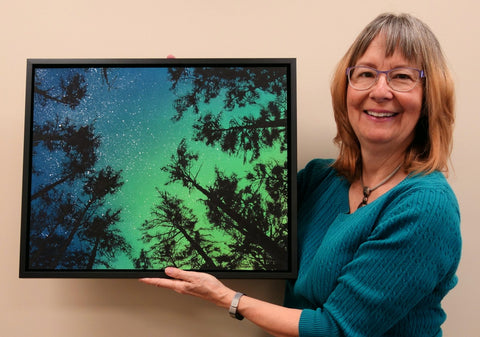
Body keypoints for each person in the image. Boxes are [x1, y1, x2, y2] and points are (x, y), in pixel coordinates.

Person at [140, 12, 462, 337]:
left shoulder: (426, 206)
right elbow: (223, 197)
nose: (380, 91)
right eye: (365, 73)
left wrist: (228, 298)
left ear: (429, 96)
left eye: (402, 77)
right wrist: (180, 98)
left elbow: (335, 330)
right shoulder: (320, 179)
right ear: (346, 89)